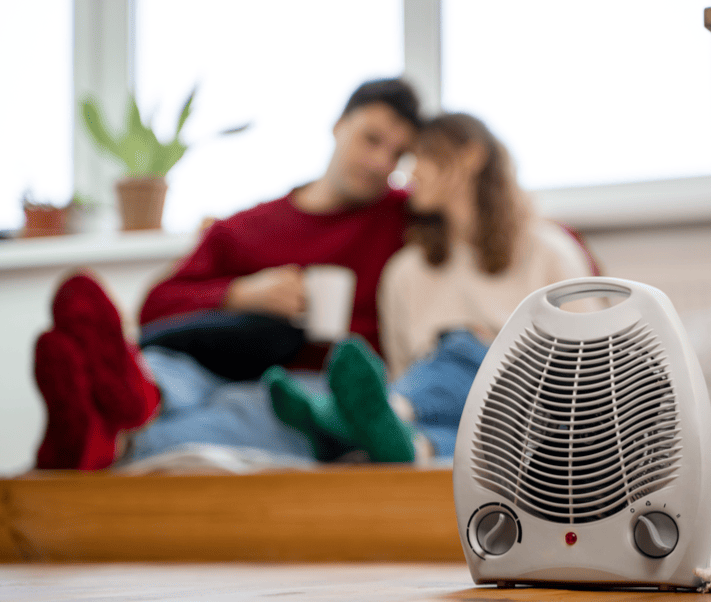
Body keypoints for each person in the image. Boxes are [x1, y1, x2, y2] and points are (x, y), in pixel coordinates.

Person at [33, 77, 423, 470]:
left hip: (307, 384)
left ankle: (106, 442)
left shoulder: (407, 217)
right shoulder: (245, 229)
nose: (381, 163)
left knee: (257, 408)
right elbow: (155, 306)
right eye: (371, 140)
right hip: (214, 363)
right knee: (167, 370)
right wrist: (242, 294)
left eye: (398, 155)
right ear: (339, 126)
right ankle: (110, 402)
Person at [263, 112, 601, 464]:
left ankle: (344, 420)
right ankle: (408, 445)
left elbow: (592, 362)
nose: (410, 173)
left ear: (470, 156)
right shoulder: (405, 271)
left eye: (423, 156)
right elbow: (404, 368)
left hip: (531, 405)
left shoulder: (548, 249)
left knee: (461, 345)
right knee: (451, 432)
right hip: (477, 427)